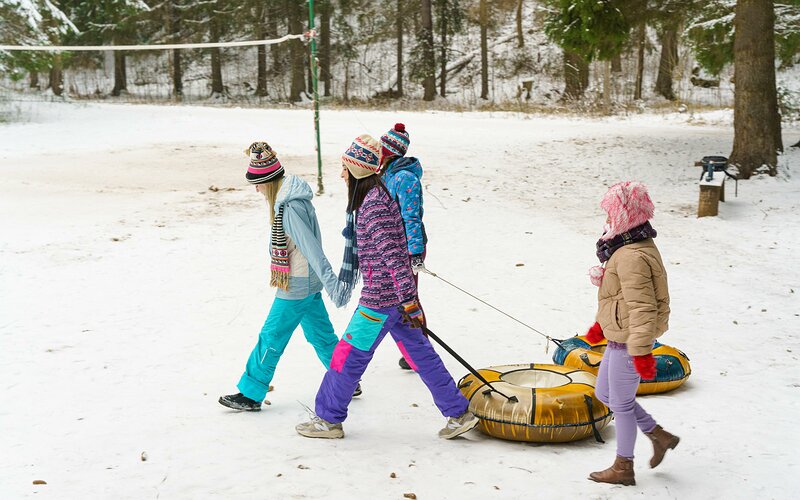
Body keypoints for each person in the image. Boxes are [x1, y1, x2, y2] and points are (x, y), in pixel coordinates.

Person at [295, 134, 478, 439]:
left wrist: (408, 299)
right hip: (394, 302)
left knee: (346, 358)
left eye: (343, 168)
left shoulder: (372, 206)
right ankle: (459, 413)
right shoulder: (375, 197)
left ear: (356, 170)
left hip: (379, 303)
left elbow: (394, 255)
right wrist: (407, 300)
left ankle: (328, 419)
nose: (341, 174)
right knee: (423, 357)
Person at [219, 141, 359, 412]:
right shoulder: (290, 201)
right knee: (322, 336)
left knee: (271, 336)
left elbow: (311, 248)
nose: (257, 189)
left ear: (269, 181)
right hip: (305, 282)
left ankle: (250, 392)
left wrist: (334, 286)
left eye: (257, 184)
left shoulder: (290, 208)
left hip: (296, 285)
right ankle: (347, 380)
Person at [585, 181, 680, 486]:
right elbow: (621, 298)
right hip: (619, 337)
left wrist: (640, 351)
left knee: (622, 405)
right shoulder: (627, 246)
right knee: (605, 394)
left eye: (611, 213)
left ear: (625, 215)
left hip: (629, 342)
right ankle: (658, 434)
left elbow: (642, 306)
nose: (607, 219)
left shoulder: (631, 255)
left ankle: (623, 467)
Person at [379, 123, 429, 371]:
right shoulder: (387, 174)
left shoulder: (405, 178)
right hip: (392, 247)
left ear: (389, 152)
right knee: (396, 299)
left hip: (408, 248)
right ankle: (413, 351)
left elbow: (411, 217)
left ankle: (420, 351)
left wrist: (415, 253)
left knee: (408, 300)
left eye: (381, 148)